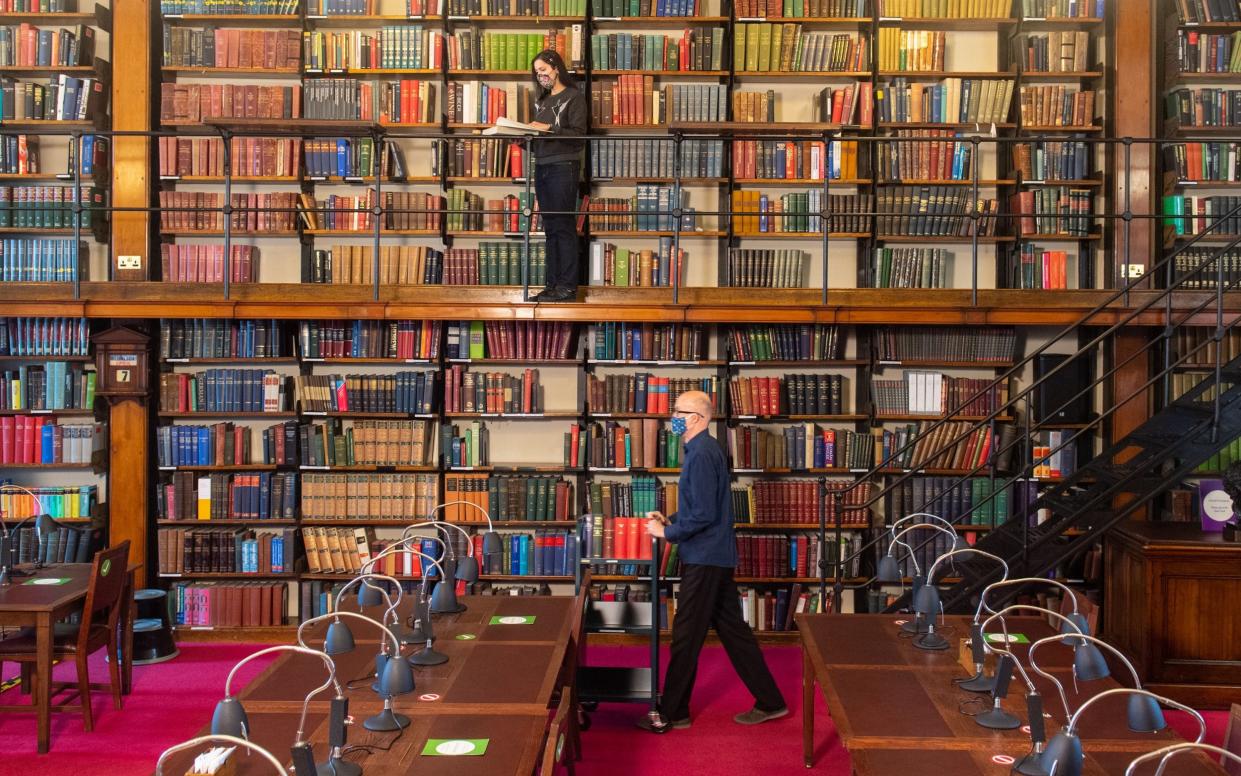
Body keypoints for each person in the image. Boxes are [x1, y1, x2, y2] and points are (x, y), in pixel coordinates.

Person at [638, 389, 788, 733]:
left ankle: (674, 713)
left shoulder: (702, 453)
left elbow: (704, 513)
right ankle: (771, 701)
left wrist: (667, 534)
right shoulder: (701, 449)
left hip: (704, 557)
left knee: (686, 635)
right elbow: (703, 505)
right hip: (714, 555)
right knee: (734, 632)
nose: (671, 417)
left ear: (696, 418)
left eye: (678, 411)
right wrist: (673, 518)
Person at [526, 49, 588, 303]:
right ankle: (552, 284)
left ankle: (567, 286)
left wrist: (549, 128)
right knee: (550, 228)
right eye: (536, 72)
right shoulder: (541, 101)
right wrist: (521, 137)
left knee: (563, 227)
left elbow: (578, 136)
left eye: (543, 70)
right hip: (542, 165)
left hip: (563, 167)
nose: (540, 76)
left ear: (556, 68)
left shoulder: (574, 98)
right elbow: (542, 139)